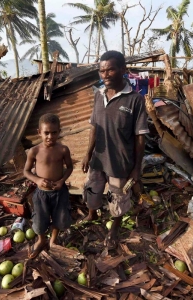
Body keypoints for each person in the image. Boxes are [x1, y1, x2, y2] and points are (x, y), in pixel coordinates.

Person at [82, 50, 149, 249]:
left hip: (120, 161)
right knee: (91, 191)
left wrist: (136, 168)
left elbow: (140, 137)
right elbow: (94, 126)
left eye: (110, 70)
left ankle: (115, 228)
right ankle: (92, 213)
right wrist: (87, 153)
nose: (105, 75)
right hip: (98, 159)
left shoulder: (135, 100)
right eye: (102, 71)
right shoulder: (98, 94)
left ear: (123, 70)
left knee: (117, 198)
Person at [23, 113, 73, 258]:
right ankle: (41, 239)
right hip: (41, 194)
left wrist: (62, 180)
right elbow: (26, 171)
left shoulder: (63, 150)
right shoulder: (34, 151)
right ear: (39, 132)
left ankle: (53, 239)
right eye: (46, 133)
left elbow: (69, 168)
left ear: (59, 131)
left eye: (54, 132)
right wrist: (38, 180)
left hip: (59, 192)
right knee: (39, 221)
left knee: (60, 218)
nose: (50, 136)